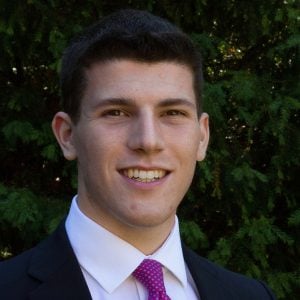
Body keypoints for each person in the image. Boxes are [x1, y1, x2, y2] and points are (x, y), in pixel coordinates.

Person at [0, 9, 275, 300]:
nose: (148, 140)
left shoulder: (251, 295)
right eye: (116, 113)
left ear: (202, 136)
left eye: (172, 113)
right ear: (67, 135)